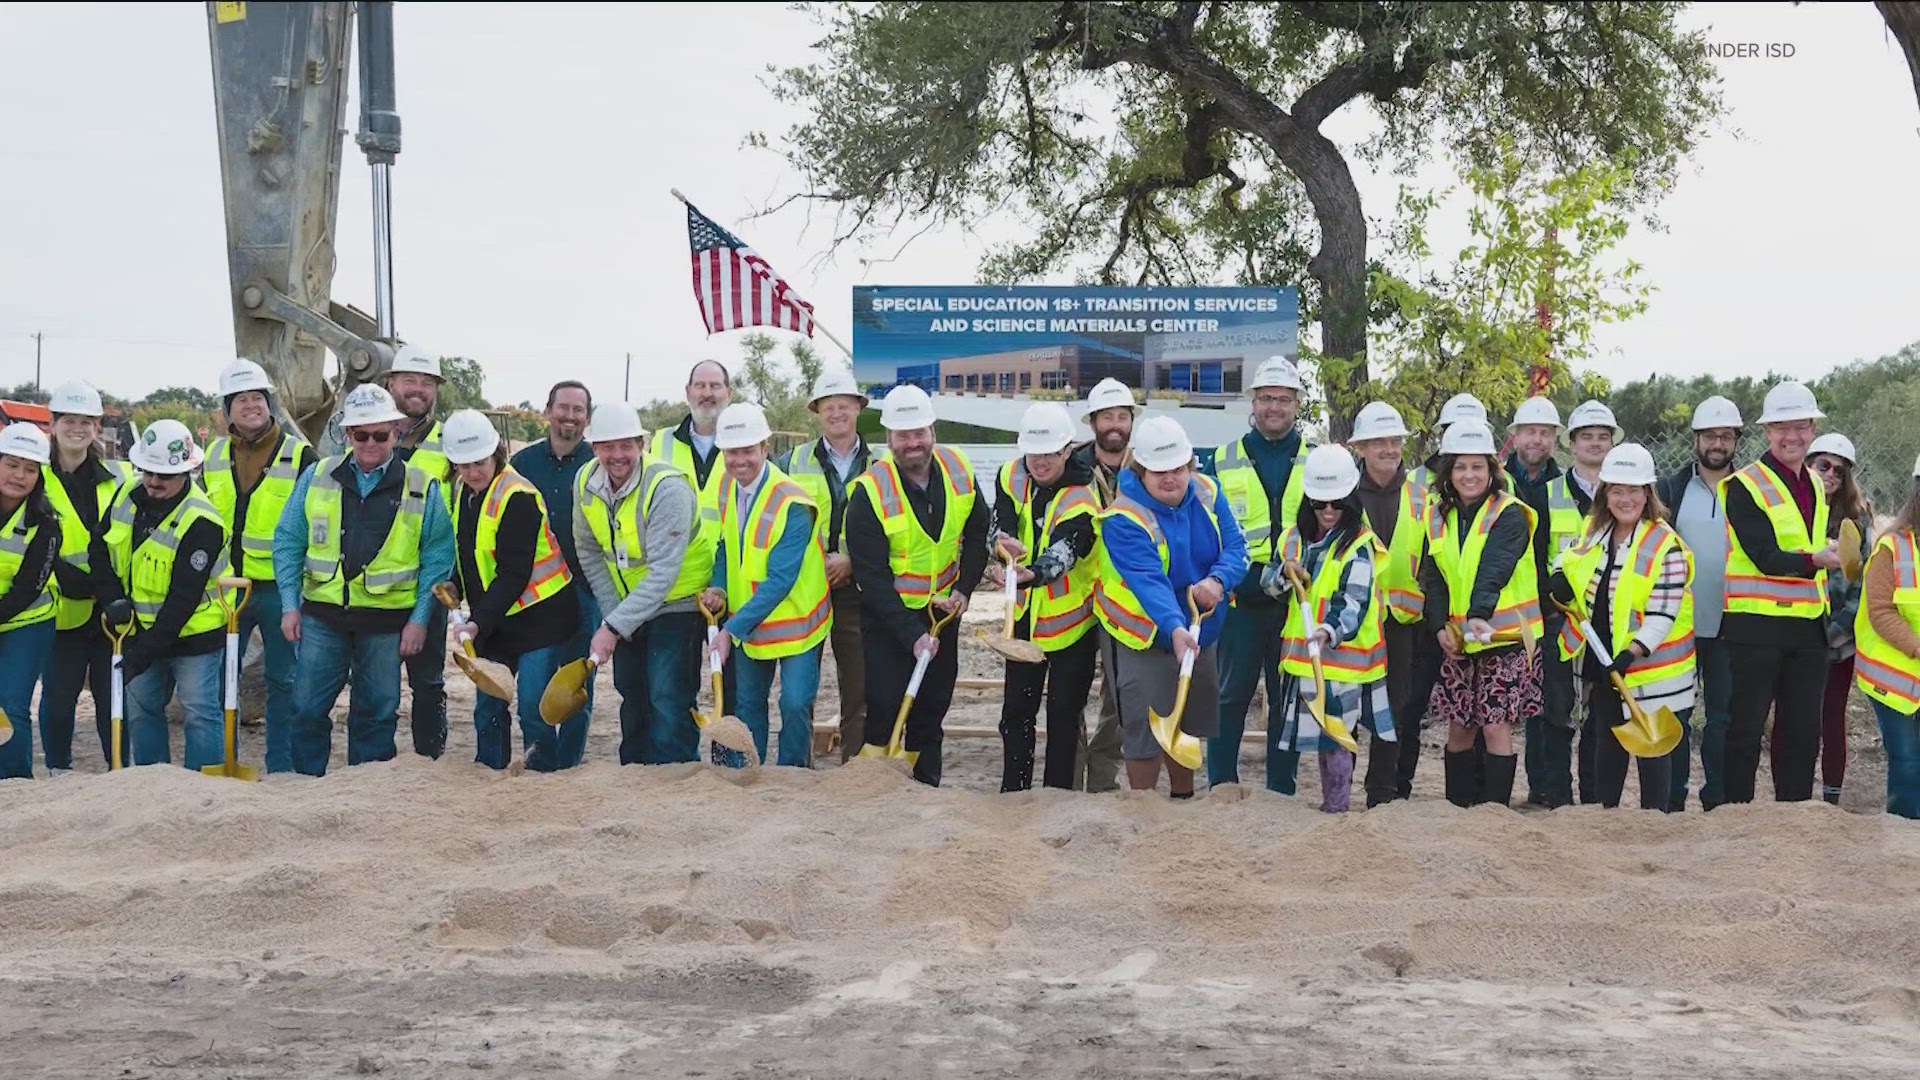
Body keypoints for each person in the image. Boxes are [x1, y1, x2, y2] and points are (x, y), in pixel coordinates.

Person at [275, 384, 454, 776]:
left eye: (380, 434)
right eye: (361, 434)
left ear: (396, 432)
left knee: (376, 714)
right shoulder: (317, 476)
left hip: (387, 623)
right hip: (323, 618)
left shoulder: (422, 486)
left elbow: (438, 558)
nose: (370, 443)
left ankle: (366, 795)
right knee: (305, 709)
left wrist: (420, 619)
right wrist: (290, 604)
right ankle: (305, 790)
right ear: (346, 435)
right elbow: (288, 539)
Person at [1097, 415, 1248, 797]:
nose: (1171, 479)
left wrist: (1217, 581)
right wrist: (1175, 627)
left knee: (1189, 722)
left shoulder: (1208, 492)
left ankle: (1182, 801)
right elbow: (1149, 582)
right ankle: (1143, 806)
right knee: (1144, 726)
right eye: (1159, 471)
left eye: (1179, 469)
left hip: (1201, 628)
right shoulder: (1123, 517)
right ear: (1141, 471)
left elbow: (1236, 548)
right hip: (1143, 632)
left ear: (1190, 464)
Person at [845, 385, 986, 786]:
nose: (913, 443)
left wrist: (965, 589)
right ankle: (876, 789)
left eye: (919, 433)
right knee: (886, 704)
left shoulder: (958, 468)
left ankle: (927, 791)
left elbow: (977, 533)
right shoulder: (868, 492)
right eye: (903, 435)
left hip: (942, 612)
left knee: (930, 709)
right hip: (888, 619)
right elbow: (870, 577)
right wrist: (912, 636)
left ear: (932, 431)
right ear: (888, 438)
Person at [1719, 381, 1844, 806]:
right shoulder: (1743, 485)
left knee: (1803, 731)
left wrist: (1825, 557)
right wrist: (1818, 560)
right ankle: (1735, 812)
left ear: (1812, 429)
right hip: (1755, 626)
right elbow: (1764, 556)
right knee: (1746, 728)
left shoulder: (1815, 482)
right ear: (1767, 431)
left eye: (1801, 426)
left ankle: (1792, 815)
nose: (1792, 436)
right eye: (1781, 427)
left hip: (1807, 628)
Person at [1548, 444, 1693, 811]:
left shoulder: (1666, 545)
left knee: (1651, 748)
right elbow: (1565, 559)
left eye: (1633, 490)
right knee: (1607, 738)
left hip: (1650, 667)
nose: (1624, 498)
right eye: (1616, 490)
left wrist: (1631, 653)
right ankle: (1605, 816)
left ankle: (1654, 820)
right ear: (1605, 494)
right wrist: (1558, 577)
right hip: (1602, 655)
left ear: (1648, 494)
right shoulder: (1594, 531)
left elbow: (1663, 613)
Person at [442, 410, 583, 771]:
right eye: (463, 465)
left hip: (541, 617)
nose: (473, 472)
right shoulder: (466, 492)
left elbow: (515, 572)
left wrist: (475, 622)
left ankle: (541, 775)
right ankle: (489, 771)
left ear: (496, 454)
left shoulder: (517, 495)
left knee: (533, 705)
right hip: (498, 618)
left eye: (479, 462)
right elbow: (470, 551)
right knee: (489, 703)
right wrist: (455, 583)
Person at [93, 420, 231, 770]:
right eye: (148, 472)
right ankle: (152, 785)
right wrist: (112, 599)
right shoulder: (126, 495)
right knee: (141, 710)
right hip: (138, 628)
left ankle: (204, 790)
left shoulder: (202, 522)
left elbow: (182, 600)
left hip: (193, 634)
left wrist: (141, 655)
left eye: (164, 476)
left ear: (187, 471)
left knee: (199, 711)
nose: (153, 482)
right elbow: (100, 550)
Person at [201, 359, 316, 774]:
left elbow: (318, 517)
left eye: (257, 398)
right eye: (241, 399)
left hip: (279, 589)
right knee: (219, 678)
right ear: (227, 408)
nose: (250, 406)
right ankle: (223, 758)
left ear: (269, 404)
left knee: (284, 680)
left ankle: (281, 766)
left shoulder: (300, 455)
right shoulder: (212, 455)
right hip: (226, 586)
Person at [1420, 418, 1542, 808]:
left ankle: (1494, 814)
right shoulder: (1438, 515)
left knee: (1495, 725)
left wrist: (1478, 613)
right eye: (1460, 466)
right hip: (1461, 639)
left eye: (1477, 466)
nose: (1468, 475)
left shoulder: (1510, 513)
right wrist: (1439, 624)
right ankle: (1459, 808)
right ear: (1447, 472)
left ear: (1493, 470)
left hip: (1504, 637)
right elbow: (1433, 577)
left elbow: (1497, 565)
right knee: (1459, 726)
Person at [573, 403, 704, 765]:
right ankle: (634, 775)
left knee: (667, 696)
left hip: (678, 603)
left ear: (641, 444)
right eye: (607, 447)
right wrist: (615, 613)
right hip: (628, 606)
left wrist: (613, 627)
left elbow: (663, 573)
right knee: (631, 692)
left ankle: (676, 775)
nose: (617, 456)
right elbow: (588, 551)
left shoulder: (667, 488)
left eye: (626, 446)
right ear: (594, 447)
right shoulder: (585, 481)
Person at [1202, 356, 1309, 794]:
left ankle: (1281, 790)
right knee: (1230, 697)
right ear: (1252, 402)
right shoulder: (1223, 459)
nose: (1274, 407)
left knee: (1288, 699)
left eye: (1283, 399)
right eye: (1266, 399)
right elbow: (1207, 530)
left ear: (1297, 404)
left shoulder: (1317, 459)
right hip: (1240, 601)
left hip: (1295, 600)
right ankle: (1222, 784)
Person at [702, 403, 830, 768]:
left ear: (764, 448)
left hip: (797, 622)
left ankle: (793, 776)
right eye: (732, 452)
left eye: (747, 451)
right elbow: (728, 546)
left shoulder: (793, 503)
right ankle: (748, 773)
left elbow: (780, 580)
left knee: (794, 703)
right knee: (747, 703)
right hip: (751, 621)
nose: (739, 460)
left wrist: (730, 630)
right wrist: (719, 587)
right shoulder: (728, 486)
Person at [1271, 444, 1394, 813]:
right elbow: (1270, 585)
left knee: (1338, 739)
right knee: (1324, 741)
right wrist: (1283, 574)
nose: (1327, 512)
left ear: (1351, 501)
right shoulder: (1293, 539)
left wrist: (1329, 629)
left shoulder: (1359, 544)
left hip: (1345, 661)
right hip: (1304, 660)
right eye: (1319, 504)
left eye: (1337, 504)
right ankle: (1329, 803)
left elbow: (1354, 600)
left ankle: (1338, 806)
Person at [988, 403, 1101, 792]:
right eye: (1033, 453)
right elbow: (999, 524)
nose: (1040, 462)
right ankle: (1014, 792)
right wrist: (1000, 547)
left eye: (1050, 453)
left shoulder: (1082, 497)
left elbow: (1065, 553)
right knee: (1016, 713)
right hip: (1023, 618)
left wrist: (1029, 573)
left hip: (1072, 624)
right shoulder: (1009, 475)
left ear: (1067, 450)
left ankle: (1056, 797)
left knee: (1063, 716)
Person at [35, 380, 133, 771]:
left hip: (113, 608)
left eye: (85, 421)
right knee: (60, 697)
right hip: (61, 609)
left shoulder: (121, 476)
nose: (77, 429)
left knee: (115, 699)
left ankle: (119, 770)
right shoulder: (35, 477)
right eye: (68, 420)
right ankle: (59, 768)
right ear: (53, 425)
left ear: (96, 427)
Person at [1654, 395, 1743, 811]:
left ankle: (1718, 800)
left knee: (1723, 719)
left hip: (1732, 625)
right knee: (1677, 714)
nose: (1717, 443)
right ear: (1696, 439)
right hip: (1680, 626)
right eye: (1710, 434)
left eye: (1726, 436)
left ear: (1736, 441)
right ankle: (1672, 800)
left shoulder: (1749, 491)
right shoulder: (1669, 490)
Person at [776, 369, 870, 761]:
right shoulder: (789, 462)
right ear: (817, 412)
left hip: (858, 590)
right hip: (804, 591)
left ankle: (855, 772)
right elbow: (774, 524)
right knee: (798, 692)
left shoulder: (883, 463)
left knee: (860, 688)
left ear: (858, 409)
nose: (836, 413)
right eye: (828, 406)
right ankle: (797, 770)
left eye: (844, 405)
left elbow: (893, 530)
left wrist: (853, 562)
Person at [510, 380, 599, 736]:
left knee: (577, 684)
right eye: (563, 407)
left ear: (587, 418)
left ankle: (569, 766)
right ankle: (540, 760)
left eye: (578, 410)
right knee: (536, 685)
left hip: (585, 590)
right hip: (536, 591)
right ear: (548, 411)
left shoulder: (599, 462)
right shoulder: (522, 463)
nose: (570, 416)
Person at [1349, 401, 1424, 807]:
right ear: (1360, 447)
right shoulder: (1341, 492)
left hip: (1400, 619)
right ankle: (1339, 786)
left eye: (1394, 440)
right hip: (1351, 618)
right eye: (1378, 441)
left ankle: (1381, 792)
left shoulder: (1421, 495)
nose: (1389, 449)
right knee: (1345, 705)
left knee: (1394, 708)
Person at [1791, 433, 1872, 804]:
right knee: (1794, 717)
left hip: (1838, 639)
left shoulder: (1856, 520)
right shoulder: (1791, 510)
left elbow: (1859, 589)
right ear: (1808, 463)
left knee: (1831, 716)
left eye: (1841, 470)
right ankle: (1792, 794)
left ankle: (1831, 797)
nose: (1832, 474)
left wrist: (1833, 636)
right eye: (1824, 464)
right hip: (1793, 631)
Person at [383, 342, 453, 760]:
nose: (418, 390)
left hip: (430, 581)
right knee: (379, 679)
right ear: (390, 382)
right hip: (373, 583)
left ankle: (431, 759)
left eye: (427, 383)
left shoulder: (449, 443)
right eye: (410, 380)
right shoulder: (368, 434)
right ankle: (379, 760)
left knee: (428, 679)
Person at [1504, 396, 1573, 808]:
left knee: (1547, 704)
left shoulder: (1561, 487)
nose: (1537, 440)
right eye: (1530, 431)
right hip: (1501, 606)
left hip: (1547, 609)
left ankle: (1546, 789)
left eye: (1545, 433)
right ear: (1513, 437)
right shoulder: (1496, 480)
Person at [1068, 377, 1136, 792]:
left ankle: (1104, 775)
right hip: (1077, 593)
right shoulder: (1071, 466)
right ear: (1093, 422)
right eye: (1107, 416)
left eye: (1122, 416)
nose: (1115, 424)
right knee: (1071, 690)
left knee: (1121, 692)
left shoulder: (1150, 465)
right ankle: (1071, 774)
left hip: (1126, 596)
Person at [1851, 454, 1920, 819]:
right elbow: (1880, 611)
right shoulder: (1892, 548)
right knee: (1907, 758)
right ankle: (1903, 835)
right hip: (1892, 673)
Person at [0, 425, 62, 780]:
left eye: (30, 468)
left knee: (9, 704)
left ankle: (14, 784)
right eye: (12, 464)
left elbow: (26, 590)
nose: (20, 475)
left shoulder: (46, 525)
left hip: (26, 621)